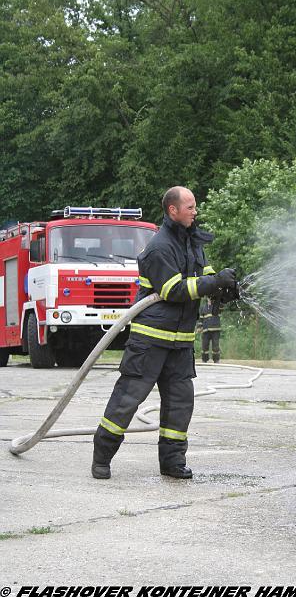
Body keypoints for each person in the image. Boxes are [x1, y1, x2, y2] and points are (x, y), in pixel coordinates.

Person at [92, 186, 236, 480]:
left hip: (181, 345)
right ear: (173, 210)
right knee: (127, 401)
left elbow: (204, 275)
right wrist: (210, 284)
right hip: (150, 341)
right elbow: (172, 290)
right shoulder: (158, 247)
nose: (196, 212)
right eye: (191, 207)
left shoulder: (192, 241)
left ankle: (172, 464)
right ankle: (102, 457)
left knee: (180, 405)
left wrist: (222, 287)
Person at [198, 297, 222, 363]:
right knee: (204, 346)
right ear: (207, 298)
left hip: (215, 330)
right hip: (205, 330)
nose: (210, 299)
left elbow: (222, 307)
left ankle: (216, 360)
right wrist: (199, 327)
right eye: (209, 298)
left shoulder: (217, 306)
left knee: (215, 346)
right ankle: (204, 360)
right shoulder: (203, 307)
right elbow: (201, 319)